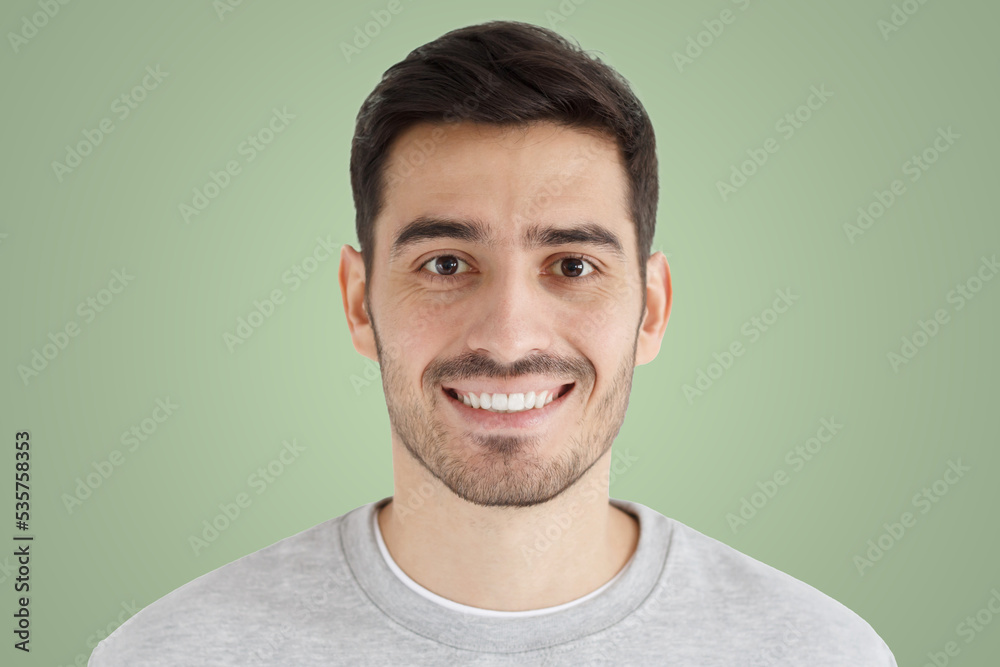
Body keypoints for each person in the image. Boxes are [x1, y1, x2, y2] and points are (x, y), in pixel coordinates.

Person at [90, 20, 897, 666]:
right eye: (445, 263)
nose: (508, 335)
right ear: (358, 302)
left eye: (572, 264)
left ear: (651, 309)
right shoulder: (169, 653)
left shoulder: (821, 652)